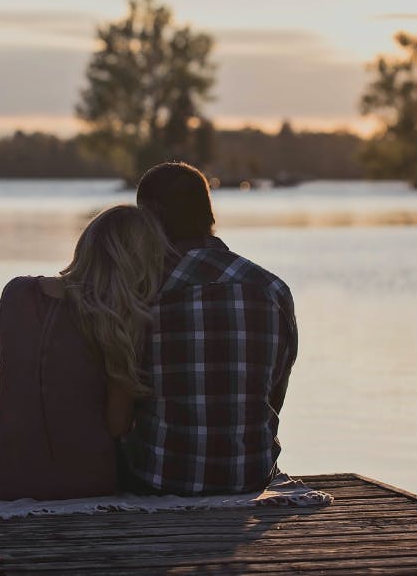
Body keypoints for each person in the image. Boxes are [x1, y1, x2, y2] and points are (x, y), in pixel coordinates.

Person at [120, 162, 299, 496]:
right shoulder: (272, 288)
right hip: (250, 477)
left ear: (151, 216)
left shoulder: (138, 291)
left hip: (156, 479)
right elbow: (274, 392)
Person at [0, 205, 168, 500]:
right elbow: (117, 425)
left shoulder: (16, 293)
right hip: (86, 483)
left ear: (86, 244)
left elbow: (10, 362)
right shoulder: (121, 320)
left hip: (4, 478)